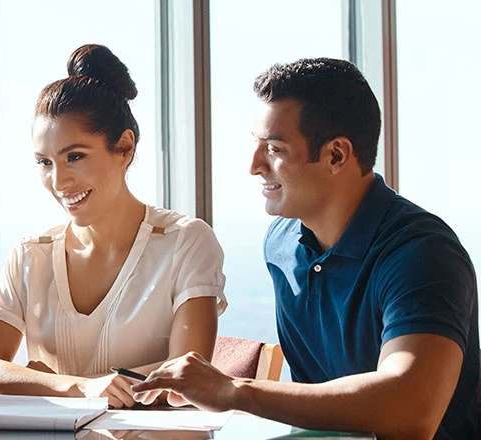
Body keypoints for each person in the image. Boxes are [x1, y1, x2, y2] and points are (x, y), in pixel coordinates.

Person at [133, 58, 479, 439]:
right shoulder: (280, 242)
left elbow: (411, 410)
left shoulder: (422, 255)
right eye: (256, 144)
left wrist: (234, 391)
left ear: (336, 155)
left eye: (275, 148)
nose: (253, 165)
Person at [0, 44, 227, 408]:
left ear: (124, 147)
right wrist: (82, 388)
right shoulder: (30, 255)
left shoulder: (185, 242)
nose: (59, 182)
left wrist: (41, 381)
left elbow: (186, 382)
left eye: (75, 157)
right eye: (45, 162)